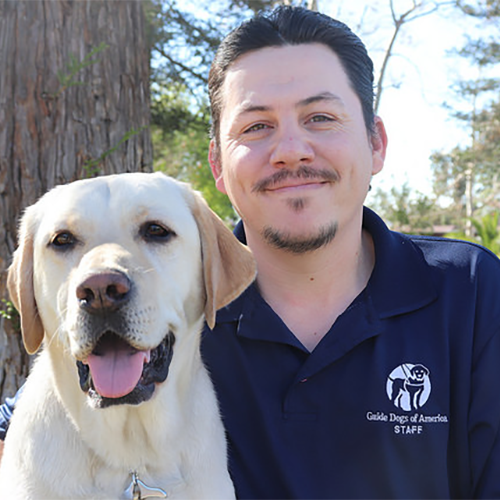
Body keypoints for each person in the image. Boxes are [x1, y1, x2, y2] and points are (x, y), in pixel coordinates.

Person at [1, 6, 500, 499]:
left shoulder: (473, 293)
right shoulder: (180, 301)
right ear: (218, 163)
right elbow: (39, 410)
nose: (290, 149)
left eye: (321, 117)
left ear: (376, 143)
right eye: (256, 127)